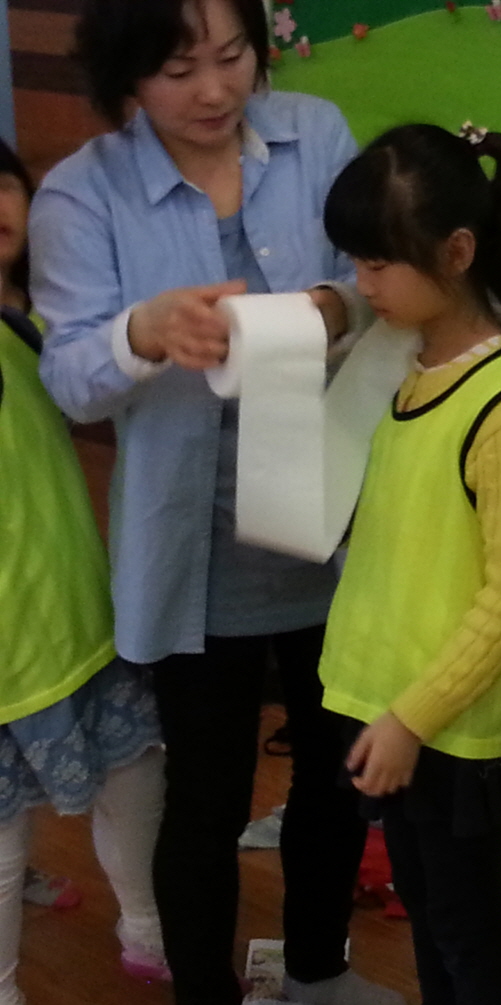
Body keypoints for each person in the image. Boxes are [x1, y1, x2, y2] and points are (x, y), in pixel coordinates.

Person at [30, 2, 396, 1003]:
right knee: (207, 793)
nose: (214, 89)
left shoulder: (314, 134)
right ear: (127, 76)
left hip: (332, 523)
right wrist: (140, 334)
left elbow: (377, 275)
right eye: (178, 68)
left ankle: (318, 971)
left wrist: (332, 306)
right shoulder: (84, 193)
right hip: (195, 549)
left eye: (232, 56)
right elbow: (69, 377)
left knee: (339, 772)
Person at [317, 122, 501, 1005]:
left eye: (378, 262)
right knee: (426, 910)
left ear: (456, 251)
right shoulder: (409, 371)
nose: (362, 282)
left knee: (463, 925)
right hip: (391, 708)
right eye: (358, 260)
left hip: (442, 728)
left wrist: (410, 719)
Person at [0, 136, 166, 1005]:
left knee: (134, 767)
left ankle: (147, 927)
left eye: (0, 185)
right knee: (1, 834)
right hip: (10, 634)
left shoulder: (37, 313)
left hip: (72, 599)